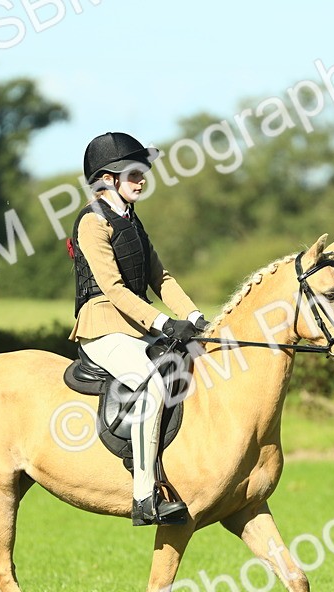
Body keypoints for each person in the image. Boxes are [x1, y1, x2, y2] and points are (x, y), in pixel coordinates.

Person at [67, 132, 207, 526]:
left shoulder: (131, 219)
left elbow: (161, 278)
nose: (142, 179)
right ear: (107, 179)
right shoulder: (92, 222)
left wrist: (195, 316)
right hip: (102, 328)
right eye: (133, 173)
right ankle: (144, 496)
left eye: (142, 171)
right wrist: (163, 322)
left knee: (197, 362)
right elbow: (112, 288)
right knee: (153, 385)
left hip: (134, 325)